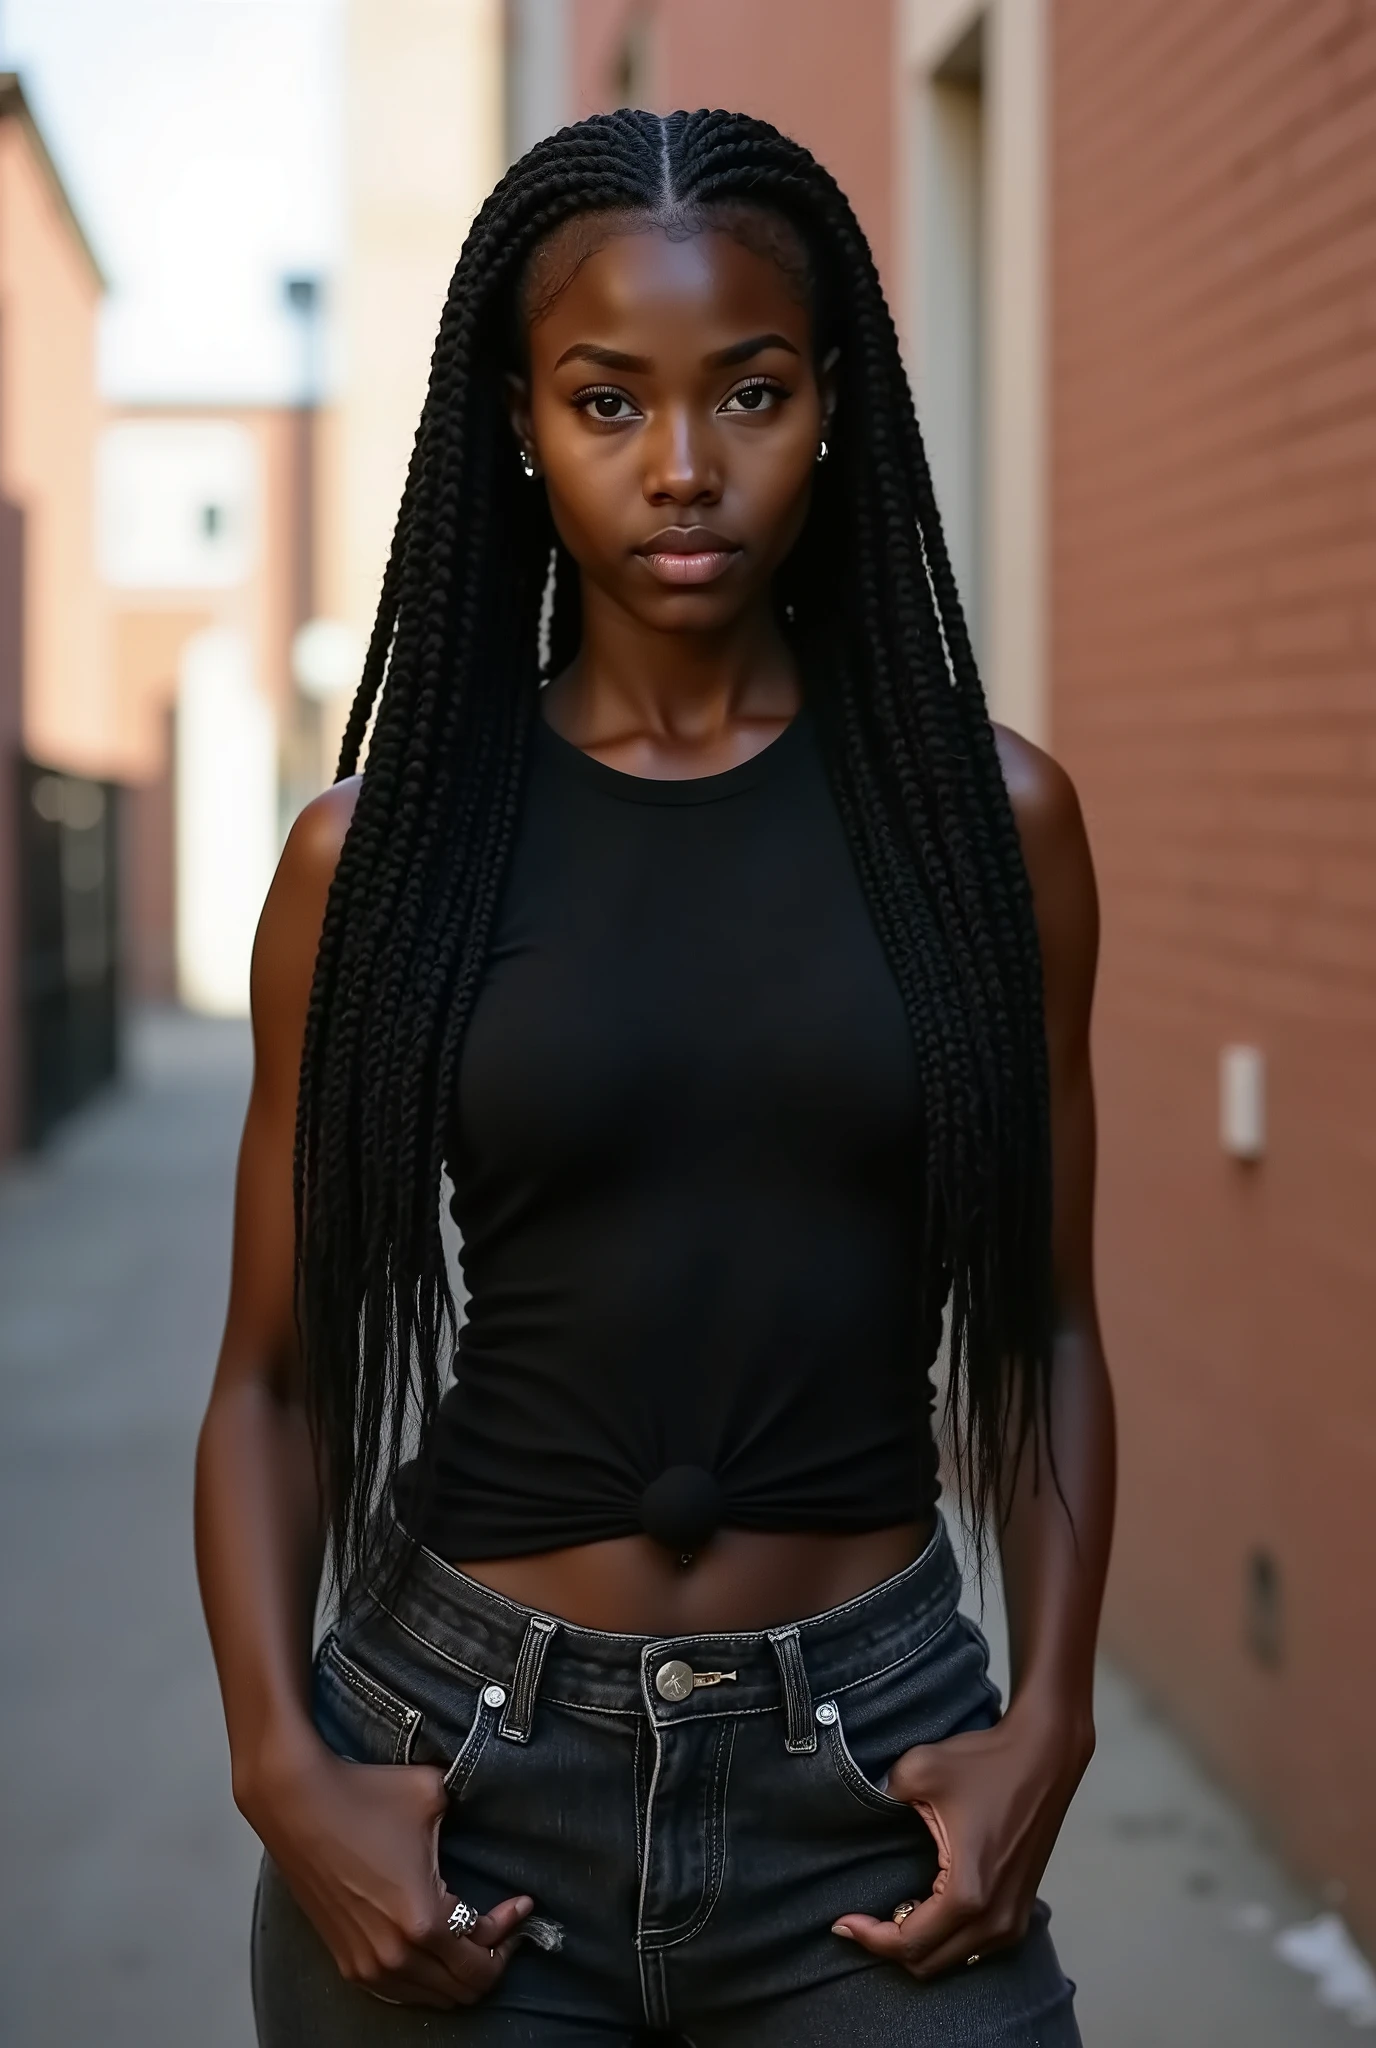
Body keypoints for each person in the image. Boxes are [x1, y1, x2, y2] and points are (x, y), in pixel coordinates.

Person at [195, 107, 1114, 2046]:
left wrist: (1050, 1717)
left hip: (867, 1774)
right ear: (518, 422)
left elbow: (1043, 1324)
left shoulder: (987, 827)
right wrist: (284, 1766)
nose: (684, 468)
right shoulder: (377, 862)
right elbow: (269, 1381)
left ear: (833, 402)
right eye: (609, 402)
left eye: (750, 394)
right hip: (462, 1777)